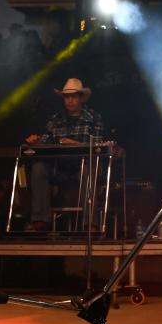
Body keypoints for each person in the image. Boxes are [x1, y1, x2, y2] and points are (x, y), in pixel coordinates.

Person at [24, 78, 103, 230]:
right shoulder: (56, 119)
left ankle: (89, 224)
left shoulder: (93, 118)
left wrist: (73, 143)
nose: (70, 100)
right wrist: (36, 141)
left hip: (83, 167)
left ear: (81, 98)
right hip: (59, 169)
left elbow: (98, 146)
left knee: (89, 169)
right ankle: (40, 220)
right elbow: (46, 143)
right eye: (67, 97)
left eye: (73, 96)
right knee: (39, 167)